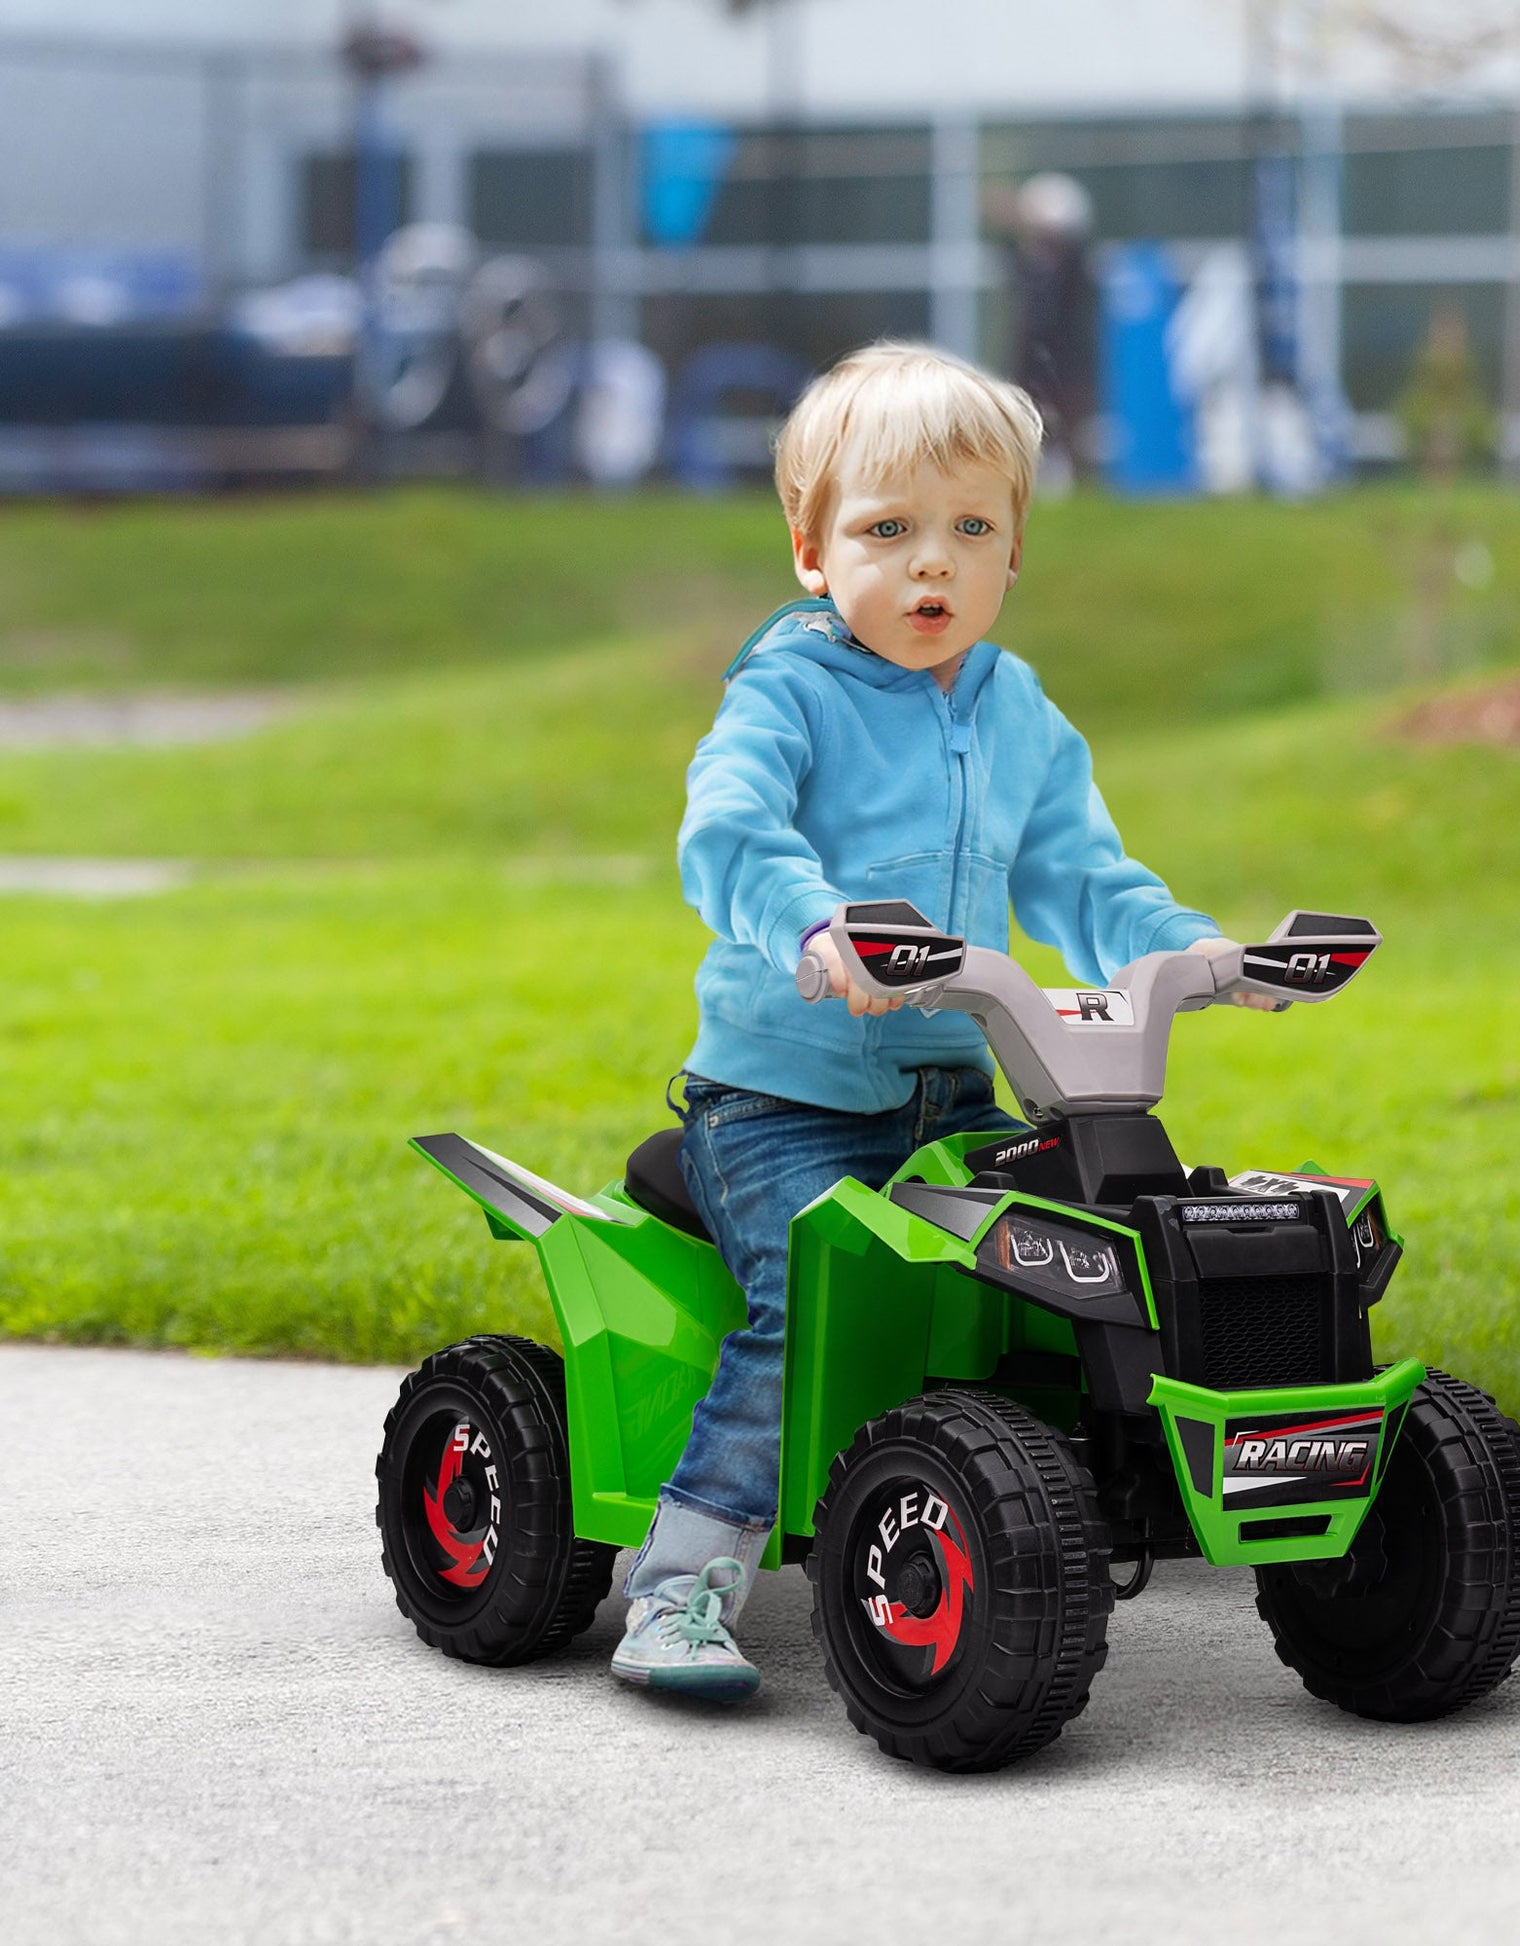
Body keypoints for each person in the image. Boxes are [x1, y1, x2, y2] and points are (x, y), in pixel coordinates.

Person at [611, 341, 1248, 1701]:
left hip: (956, 1092)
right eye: (887, 531)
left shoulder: (1017, 710)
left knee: (1081, 1263)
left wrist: (1183, 949)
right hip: (781, 1104)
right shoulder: (787, 691)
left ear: (1013, 553)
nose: (930, 567)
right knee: (808, 1306)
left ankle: (1080, 1505)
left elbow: (1082, 873)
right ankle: (680, 1587)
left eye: (969, 530)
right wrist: (811, 926)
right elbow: (728, 831)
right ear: (811, 551)